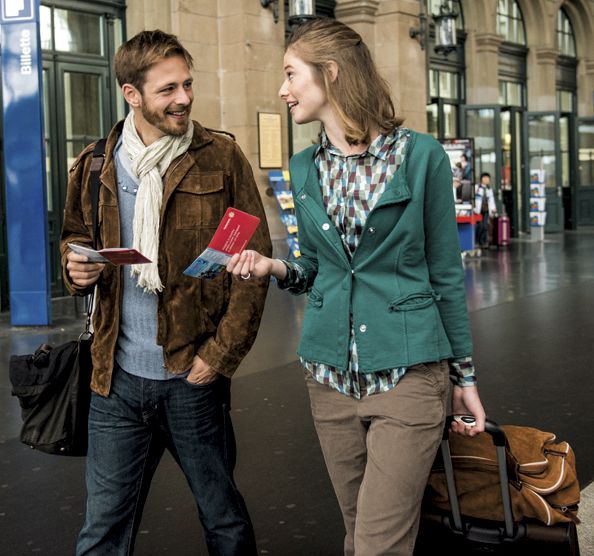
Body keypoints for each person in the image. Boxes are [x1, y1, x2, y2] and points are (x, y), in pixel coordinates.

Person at [227, 19, 486, 556]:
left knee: (377, 542)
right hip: (328, 378)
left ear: (332, 72)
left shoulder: (421, 158)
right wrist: (273, 268)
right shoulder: (304, 168)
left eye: (290, 73)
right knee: (358, 533)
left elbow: (444, 275)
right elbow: (315, 268)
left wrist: (464, 378)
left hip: (408, 372)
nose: (282, 89)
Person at [60, 29, 272, 555]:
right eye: (167, 89)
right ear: (131, 94)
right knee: (102, 529)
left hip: (191, 377)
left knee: (224, 520)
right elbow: (74, 240)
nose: (183, 98)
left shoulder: (220, 157)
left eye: (188, 84)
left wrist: (220, 356)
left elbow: (249, 264)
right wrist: (75, 270)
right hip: (115, 380)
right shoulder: (94, 163)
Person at [474, 172, 497, 248]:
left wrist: (493, 209)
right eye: (485, 178)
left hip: (486, 210)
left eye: (488, 178)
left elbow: (491, 200)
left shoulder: (489, 189)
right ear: (481, 179)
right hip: (478, 210)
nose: (486, 180)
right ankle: (476, 242)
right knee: (479, 226)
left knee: (485, 227)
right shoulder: (476, 187)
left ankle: (483, 242)